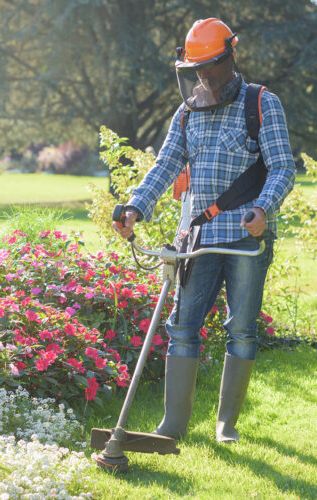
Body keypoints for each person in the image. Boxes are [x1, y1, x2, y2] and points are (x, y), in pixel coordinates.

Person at [113, 18, 295, 443]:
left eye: (211, 66)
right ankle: (172, 426)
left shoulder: (262, 104)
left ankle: (226, 423)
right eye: (196, 69)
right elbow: (165, 166)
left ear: (231, 57)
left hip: (247, 236)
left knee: (242, 329)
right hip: (200, 238)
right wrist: (136, 207)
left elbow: (283, 166)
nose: (204, 76)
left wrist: (264, 209)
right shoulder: (186, 112)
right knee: (182, 325)